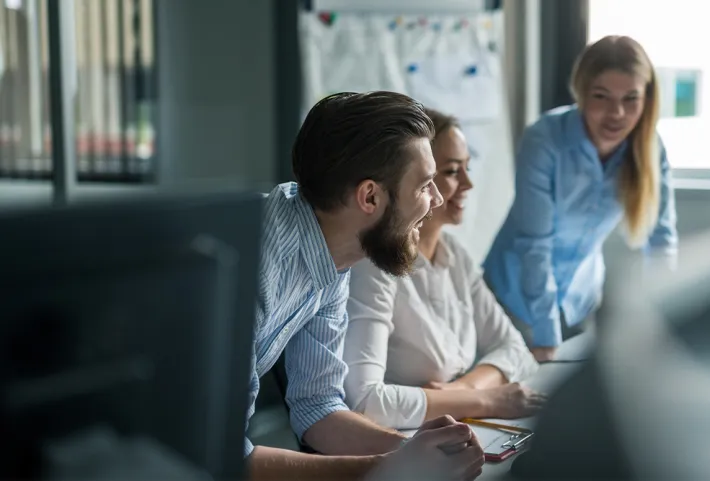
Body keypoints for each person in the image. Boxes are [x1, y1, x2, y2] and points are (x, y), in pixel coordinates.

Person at [247, 92, 484, 481]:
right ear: (370, 196)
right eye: (425, 185)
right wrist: (388, 468)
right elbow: (224, 457)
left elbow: (317, 407)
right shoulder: (258, 262)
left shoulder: (334, 254)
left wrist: (409, 450)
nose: (438, 198)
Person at [344, 108, 545, 430]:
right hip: (399, 440)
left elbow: (515, 349)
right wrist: (487, 399)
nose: (468, 183)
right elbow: (366, 404)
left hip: (453, 424)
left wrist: (461, 391)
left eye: (467, 167)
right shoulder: (373, 266)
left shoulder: (454, 255)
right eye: (452, 171)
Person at [483, 35, 678, 363]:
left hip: (580, 300)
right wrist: (546, 336)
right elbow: (535, 244)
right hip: (513, 299)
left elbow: (661, 240)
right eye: (602, 97)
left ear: (647, 99)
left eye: (631, 98)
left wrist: (669, 321)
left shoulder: (649, 147)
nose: (616, 113)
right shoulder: (544, 138)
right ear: (581, 93)